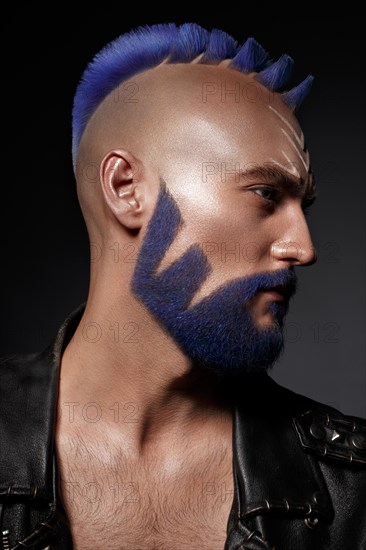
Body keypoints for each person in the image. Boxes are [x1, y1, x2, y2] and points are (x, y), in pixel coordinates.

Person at [0, 22, 365, 550]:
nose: (303, 249)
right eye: (265, 193)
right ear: (127, 189)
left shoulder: (352, 488)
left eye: (301, 207)